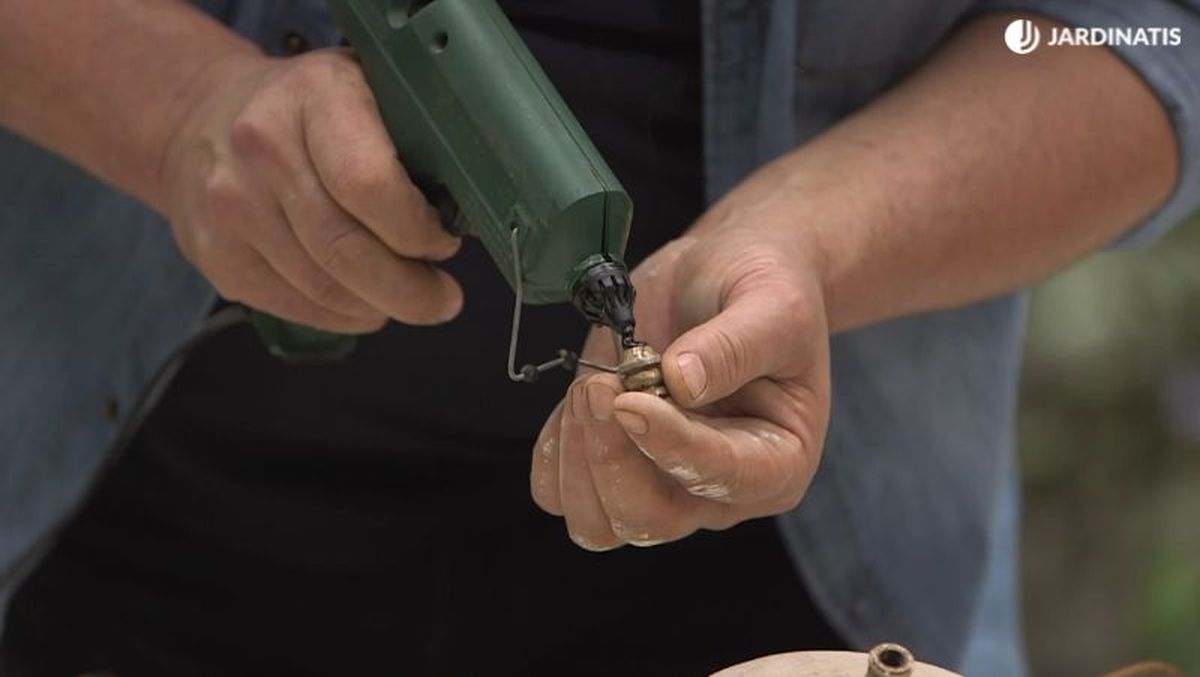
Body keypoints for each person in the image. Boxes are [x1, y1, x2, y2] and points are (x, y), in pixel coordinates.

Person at [0, 0, 1196, 675]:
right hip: (123, 521)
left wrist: (814, 241)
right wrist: (169, 107)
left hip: (787, 570)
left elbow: (1154, 31)